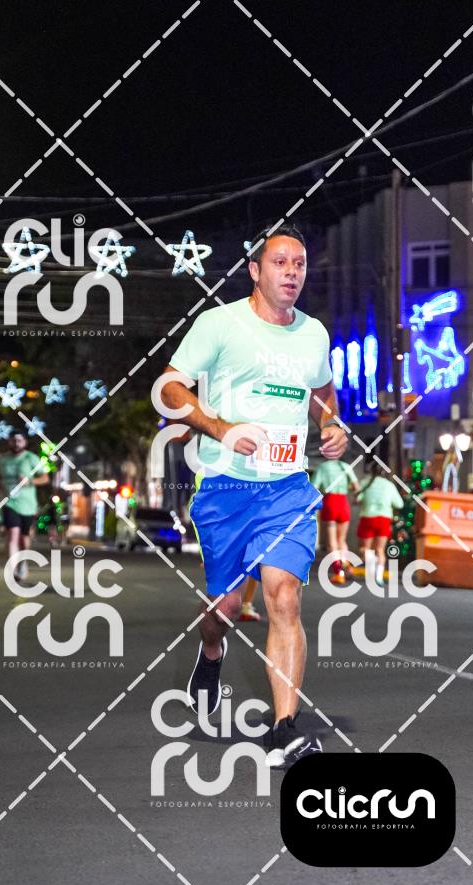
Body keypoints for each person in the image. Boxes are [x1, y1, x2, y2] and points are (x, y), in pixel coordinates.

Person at [161, 224, 348, 768]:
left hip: (287, 487)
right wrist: (218, 427)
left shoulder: (313, 333)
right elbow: (169, 387)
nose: (292, 272)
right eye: (280, 262)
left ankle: (283, 728)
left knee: (283, 597)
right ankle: (211, 650)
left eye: (300, 264)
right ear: (255, 270)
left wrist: (331, 424)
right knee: (225, 608)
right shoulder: (219, 324)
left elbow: (322, 391)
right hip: (227, 487)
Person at [0, 431, 49, 582]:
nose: (16, 443)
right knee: (12, 533)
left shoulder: (31, 458)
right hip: (9, 502)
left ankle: (23, 564)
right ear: (9, 442)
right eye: (13, 440)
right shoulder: (3, 459)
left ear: (25, 442)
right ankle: (13, 568)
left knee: (24, 537)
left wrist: (30, 481)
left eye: (19, 440)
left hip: (27, 504)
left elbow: (44, 478)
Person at [355, 461, 404, 586]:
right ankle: (379, 577)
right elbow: (399, 504)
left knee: (365, 549)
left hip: (367, 518)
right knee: (380, 549)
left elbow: (357, 499)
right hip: (384, 519)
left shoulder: (365, 483)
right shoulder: (389, 485)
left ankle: (371, 571)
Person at [312, 458, 359, 584]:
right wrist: (349, 489)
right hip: (343, 502)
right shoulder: (345, 465)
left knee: (332, 543)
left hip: (330, 502)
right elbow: (356, 487)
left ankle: (338, 573)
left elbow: (314, 487)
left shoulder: (322, 467)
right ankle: (346, 564)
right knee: (341, 540)